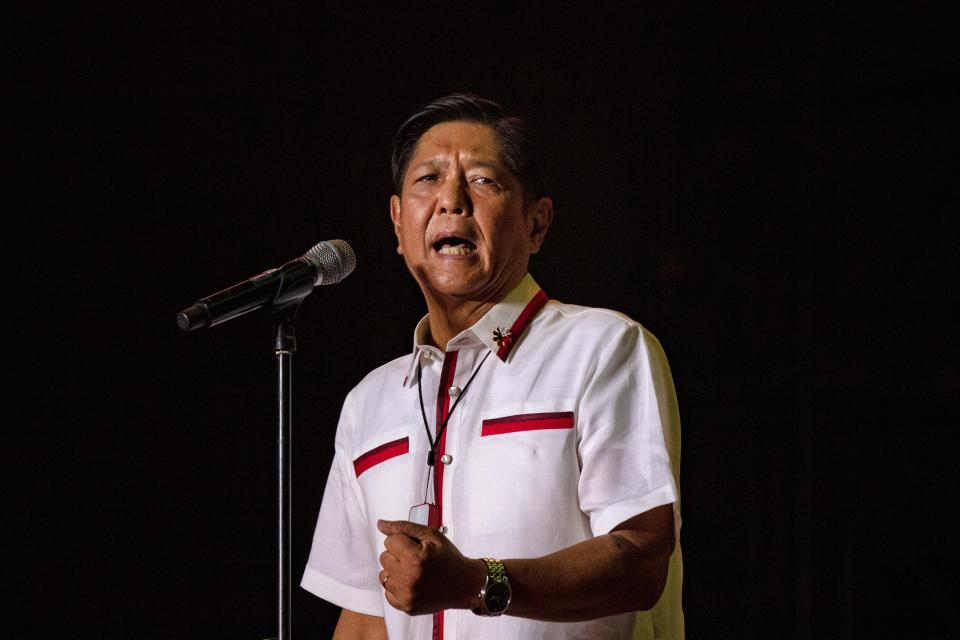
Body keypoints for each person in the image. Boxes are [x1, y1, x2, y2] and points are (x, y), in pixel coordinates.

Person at [301, 93, 684, 639]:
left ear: (537, 222)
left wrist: (475, 583)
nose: (451, 201)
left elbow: (640, 561)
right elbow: (366, 617)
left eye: (483, 180)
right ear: (396, 222)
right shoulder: (369, 402)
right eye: (427, 179)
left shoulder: (603, 348)